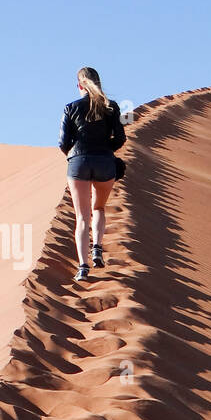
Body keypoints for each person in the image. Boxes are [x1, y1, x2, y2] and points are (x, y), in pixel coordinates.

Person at [58, 66, 125, 281]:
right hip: (105, 163)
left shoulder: (70, 108)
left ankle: (83, 268)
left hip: (79, 163)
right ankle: (97, 247)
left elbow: (63, 143)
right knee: (99, 207)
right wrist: (106, 150)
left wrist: (75, 154)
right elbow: (121, 138)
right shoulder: (111, 107)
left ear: (79, 85)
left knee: (81, 217)